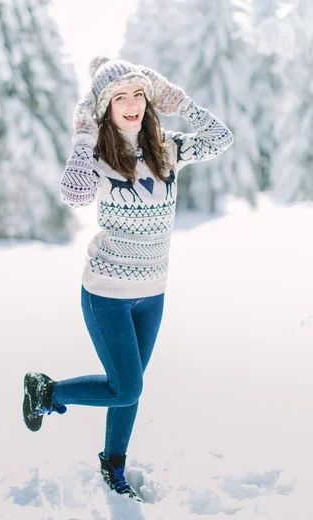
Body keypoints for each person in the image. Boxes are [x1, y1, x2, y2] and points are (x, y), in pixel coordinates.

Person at [22, 55, 234, 502]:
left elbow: (221, 137)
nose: (132, 103)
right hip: (107, 294)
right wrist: (83, 134)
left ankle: (113, 465)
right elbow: (74, 192)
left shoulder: (167, 148)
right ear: (105, 108)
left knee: (128, 388)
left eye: (139, 92)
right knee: (127, 386)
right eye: (120, 96)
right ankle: (47, 391)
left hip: (153, 293)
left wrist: (176, 97)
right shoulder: (98, 158)